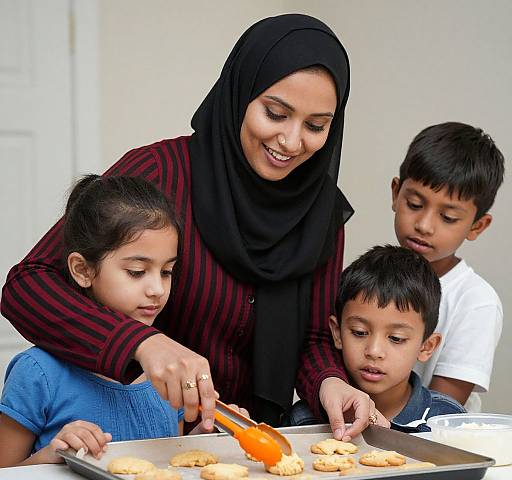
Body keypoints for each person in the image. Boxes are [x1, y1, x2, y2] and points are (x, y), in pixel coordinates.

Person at [0, 14, 384, 440]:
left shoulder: (320, 211)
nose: (292, 142)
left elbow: (313, 336)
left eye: (316, 126)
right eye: (275, 113)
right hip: (142, 437)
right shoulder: (160, 173)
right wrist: (140, 343)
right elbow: (27, 285)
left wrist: (330, 382)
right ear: (240, 95)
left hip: (242, 442)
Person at [0, 175, 247, 468]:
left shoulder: (167, 370)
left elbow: (168, 463)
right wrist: (52, 456)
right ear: (82, 270)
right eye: (136, 271)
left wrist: (206, 435)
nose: (157, 289)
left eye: (166, 272)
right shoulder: (38, 373)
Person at [391, 122, 505, 412]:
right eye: (415, 204)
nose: (424, 226)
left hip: (433, 441)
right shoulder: (373, 276)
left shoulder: (476, 302)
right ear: (395, 193)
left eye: (449, 217)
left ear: (477, 226)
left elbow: (443, 408)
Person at [289, 245, 466, 432]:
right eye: (359, 332)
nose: (374, 351)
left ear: (426, 347)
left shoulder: (448, 419)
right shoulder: (305, 420)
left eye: (396, 338)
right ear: (337, 333)